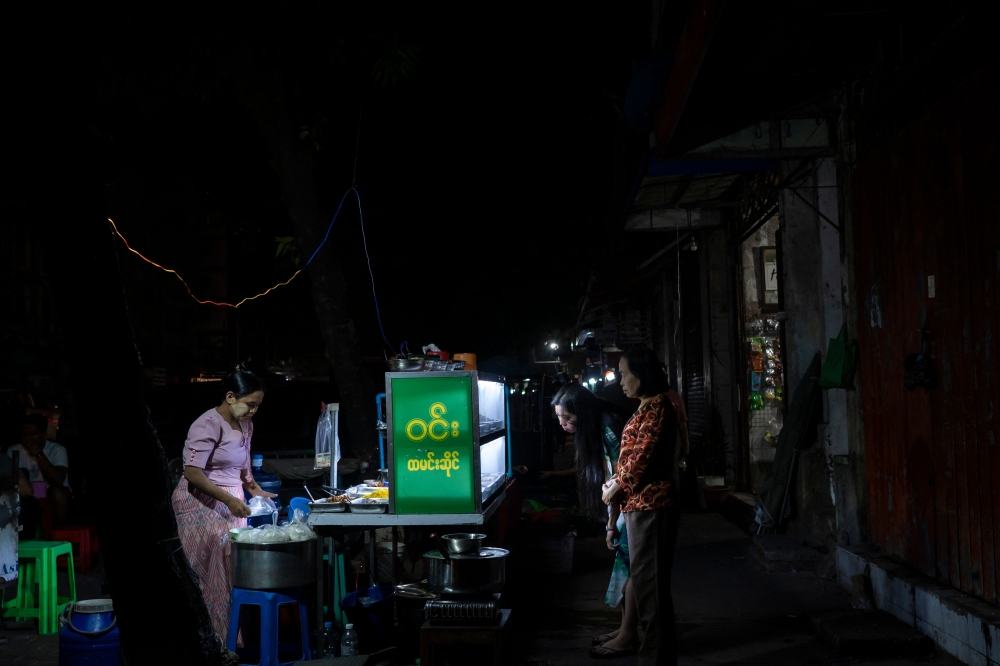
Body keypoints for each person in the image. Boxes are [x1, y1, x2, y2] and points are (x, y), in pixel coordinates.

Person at [170, 365, 275, 643]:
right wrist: (229, 499)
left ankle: (229, 641)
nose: (253, 411)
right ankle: (203, 643)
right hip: (200, 504)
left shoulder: (246, 424)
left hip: (231, 505)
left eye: (257, 406)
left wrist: (255, 490)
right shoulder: (207, 424)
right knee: (204, 576)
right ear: (230, 397)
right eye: (250, 404)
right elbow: (192, 473)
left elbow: (243, 466)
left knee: (229, 574)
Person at [603, 346, 679, 665]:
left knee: (651, 588)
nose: (621, 381)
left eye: (624, 374)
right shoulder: (645, 406)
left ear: (642, 374)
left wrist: (616, 486)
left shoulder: (658, 406)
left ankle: (655, 658)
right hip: (639, 504)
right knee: (648, 584)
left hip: (651, 505)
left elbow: (642, 456)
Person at [7, 414, 71, 527]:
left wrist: (39, 455)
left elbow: (58, 479)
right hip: (26, 499)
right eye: (24, 434)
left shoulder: (57, 450)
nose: (27, 438)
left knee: (58, 492)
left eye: (32, 434)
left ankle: (58, 534)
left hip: (52, 499)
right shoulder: (13, 450)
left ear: (44, 434)